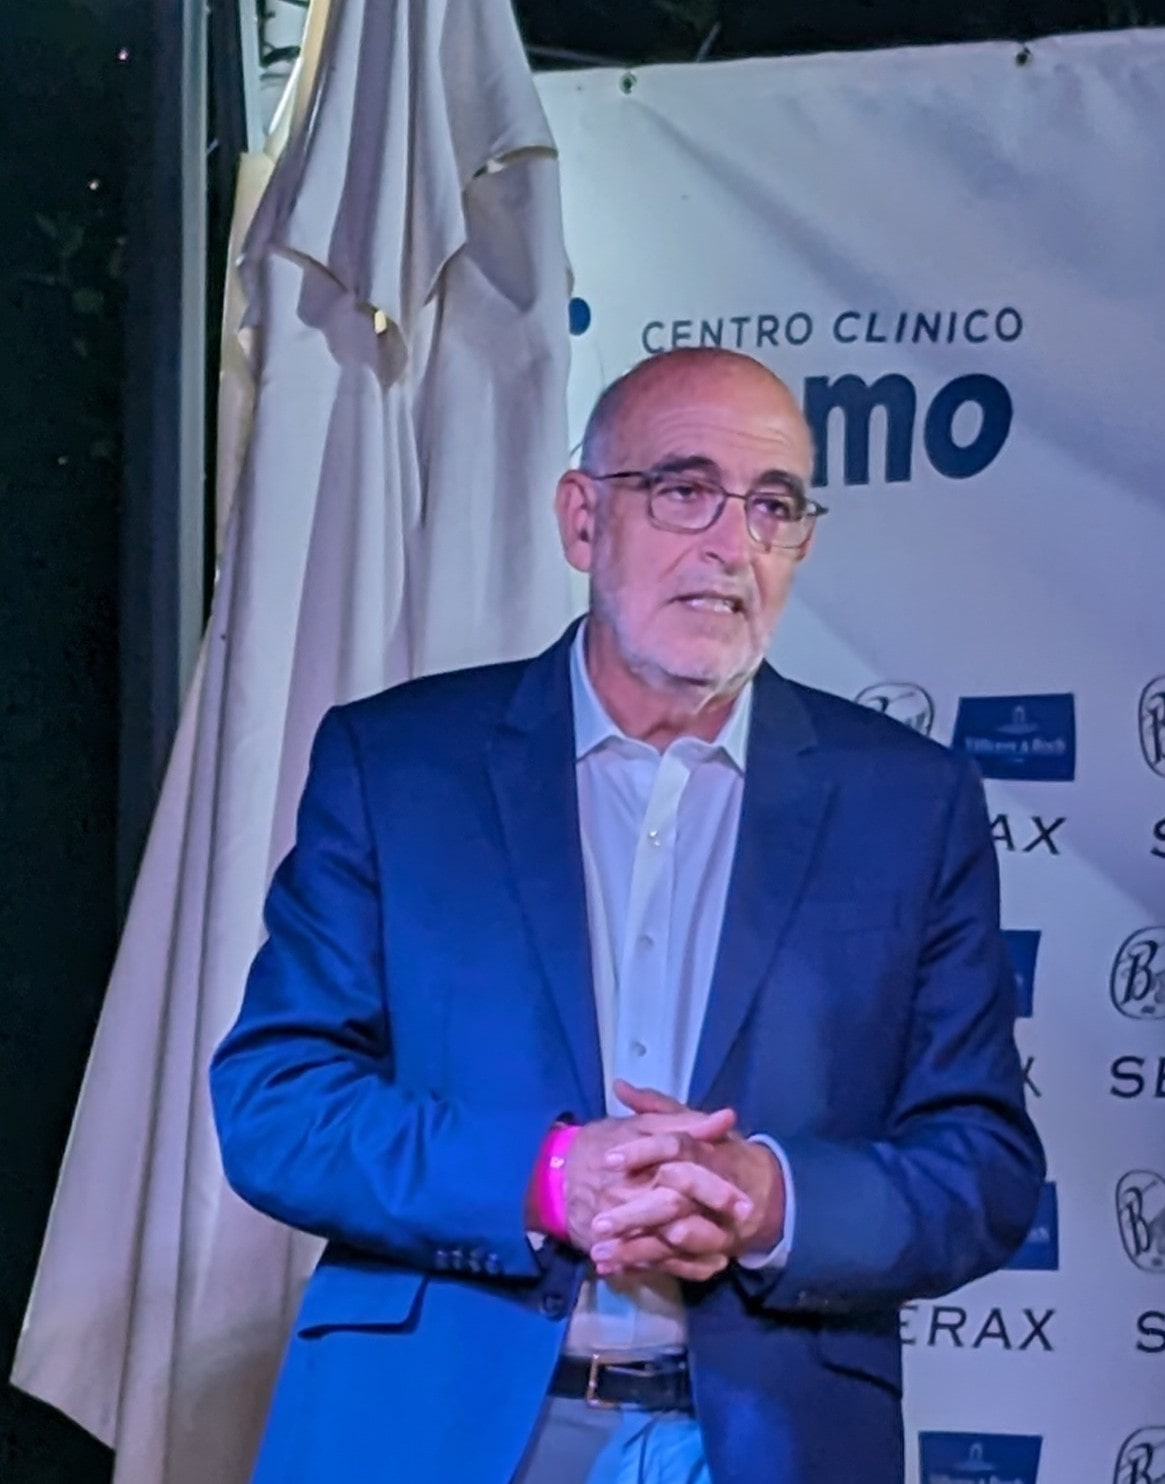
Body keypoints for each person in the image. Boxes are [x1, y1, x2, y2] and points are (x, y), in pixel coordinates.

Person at [210, 347, 1045, 1484]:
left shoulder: (908, 801)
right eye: (683, 490)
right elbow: (276, 1102)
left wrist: (772, 1199)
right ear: (581, 518)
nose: (731, 543)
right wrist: (547, 1177)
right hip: (432, 1428)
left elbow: (982, 1165)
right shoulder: (400, 765)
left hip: (765, 1441)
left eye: (772, 506)